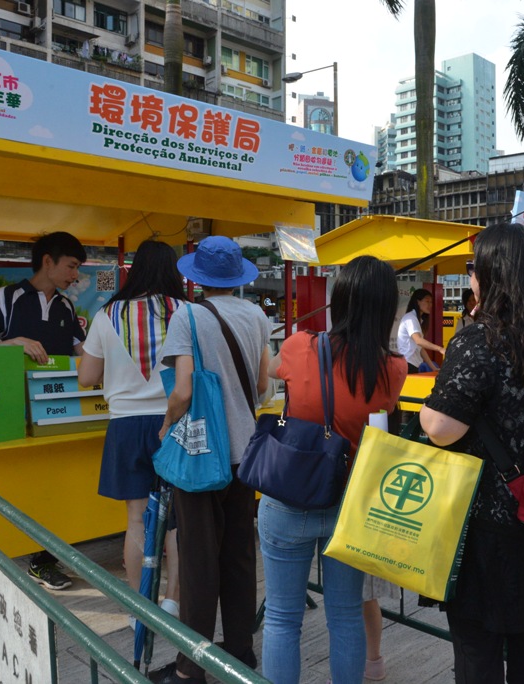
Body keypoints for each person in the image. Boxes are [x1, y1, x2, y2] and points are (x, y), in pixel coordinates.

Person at [420, 223, 524, 684]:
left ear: (493, 274)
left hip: (484, 518)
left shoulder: (481, 340)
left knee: (477, 644)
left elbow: (440, 427)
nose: (470, 276)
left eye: (474, 268)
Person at [260, 256, 407, 684]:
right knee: (344, 618)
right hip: (350, 503)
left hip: (289, 494)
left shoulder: (297, 345)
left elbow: (273, 372)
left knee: (282, 619)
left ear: (337, 298)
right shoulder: (393, 369)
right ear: (385, 309)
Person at [151, 236, 271, 684]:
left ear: (197, 276)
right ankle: (241, 652)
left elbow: (182, 390)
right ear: (237, 277)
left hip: (202, 456)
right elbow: (262, 385)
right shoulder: (257, 315)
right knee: (239, 557)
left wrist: (165, 426)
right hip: (246, 458)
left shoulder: (188, 315)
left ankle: (190, 667)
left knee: (199, 562)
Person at [77, 240, 185, 624]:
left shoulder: (106, 315)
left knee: (137, 519)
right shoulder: (184, 312)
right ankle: (173, 601)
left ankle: (141, 609)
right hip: (174, 423)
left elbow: (87, 376)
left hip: (124, 425)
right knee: (175, 518)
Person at [0, 230, 87, 591]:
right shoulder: (7, 297)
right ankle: (19, 554)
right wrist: (14, 343)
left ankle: (44, 559)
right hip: (13, 413)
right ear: (48, 261)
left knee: (56, 486)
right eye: (71, 266)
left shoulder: (67, 306)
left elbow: (83, 355)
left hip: (59, 410)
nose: (75, 275)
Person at [396, 288, 445, 373]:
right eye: (427, 301)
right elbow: (418, 341)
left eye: (431, 302)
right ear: (418, 302)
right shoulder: (410, 318)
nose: (430, 304)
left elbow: (420, 348)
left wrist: (433, 367)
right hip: (407, 364)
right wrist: (440, 349)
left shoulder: (417, 320)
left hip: (412, 365)